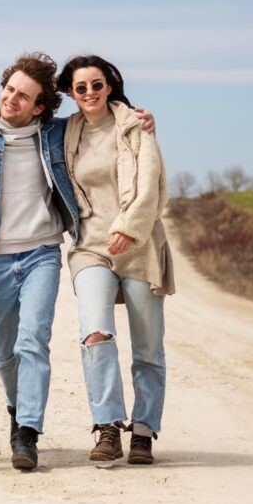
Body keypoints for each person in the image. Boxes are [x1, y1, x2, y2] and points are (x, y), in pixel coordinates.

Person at [0, 52, 153, 470]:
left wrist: (141, 121)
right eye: (9, 90)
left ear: (40, 106)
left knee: (32, 341)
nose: (12, 100)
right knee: (5, 352)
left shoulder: (55, 133)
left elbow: (102, 123)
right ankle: (15, 409)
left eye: (24, 96)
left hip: (41, 253)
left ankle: (27, 432)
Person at [57, 54, 175, 466]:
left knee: (147, 347)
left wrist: (129, 226)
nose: (90, 93)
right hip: (91, 247)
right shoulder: (65, 132)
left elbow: (151, 186)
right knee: (95, 332)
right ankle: (108, 426)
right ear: (70, 94)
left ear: (109, 85)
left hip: (139, 247)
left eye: (96, 84)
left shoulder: (136, 127)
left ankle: (143, 431)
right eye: (80, 87)